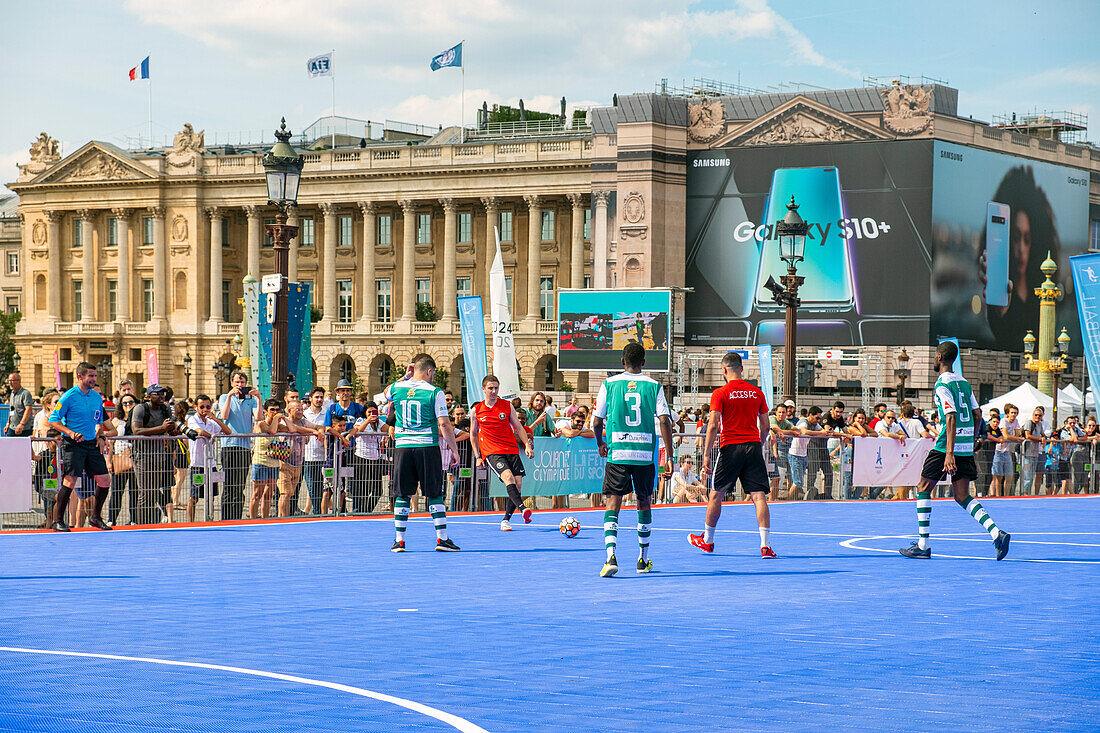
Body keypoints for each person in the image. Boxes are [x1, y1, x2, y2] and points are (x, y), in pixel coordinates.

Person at [899, 341, 1011, 560]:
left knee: (923, 487)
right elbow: (978, 414)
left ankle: (923, 545)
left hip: (945, 447)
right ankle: (997, 533)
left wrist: (949, 452)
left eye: (934, 355)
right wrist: (971, 442)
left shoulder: (942, 384)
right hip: (965, 446)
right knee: (961, 495)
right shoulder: (965, 383)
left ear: (940, 357)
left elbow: (950, 416)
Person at [592, 342, 675, 577]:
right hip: (644, 454)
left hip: (618, 452)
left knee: (612, 504)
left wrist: (600, 442)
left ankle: (610, 557)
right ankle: (642, 559)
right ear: (644, 362)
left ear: (622, 361)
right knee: (644, 502)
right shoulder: (654, 385)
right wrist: (670, 455)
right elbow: (665, 421)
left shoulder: (609, 384)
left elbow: (597, 421)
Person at [689, 351, 775, 558]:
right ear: (742, 369)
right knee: (758, 496)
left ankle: (708, 540)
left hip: (730, 447)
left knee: (716, 494)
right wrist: (759, 444)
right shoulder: (757, 393)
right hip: (753, 446)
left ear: (724, 370)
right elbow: (765, 426)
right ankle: (765, 546)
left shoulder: (720, 393)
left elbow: (712, 426)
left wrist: (707, 454)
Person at [385, 355, 461, 552]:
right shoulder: (435, 392)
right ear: (429, 371)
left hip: (403, 447)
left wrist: (404, 377)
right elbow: (444, 423)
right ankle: (442, 539)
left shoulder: (397, 388)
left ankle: (399, 541)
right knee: (434, 492)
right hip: (427, 446)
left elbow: (385, 393)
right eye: (433, 373)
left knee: (402, 494)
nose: (433, 377)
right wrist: (453, 449)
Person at [46, 362, 117, 531]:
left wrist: (100, 436)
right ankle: (57, 521)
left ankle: (95, 517)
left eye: (95, 376)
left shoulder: (96, 397)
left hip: (91, 444)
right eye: (91, 376)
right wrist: (70, 433)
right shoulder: (69, 396)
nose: (94, 379)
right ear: (80, 376)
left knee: (105, 480)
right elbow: (53, 420)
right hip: (73, 444)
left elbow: (98, 421)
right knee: (70, 481)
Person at [472, 375, 535, 530]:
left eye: (496, 388)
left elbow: (519, 428)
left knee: (518, 485)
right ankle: (523, 509)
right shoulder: (477, 410)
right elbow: (473, 434)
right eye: (490, 388)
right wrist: (478, 456)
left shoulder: (506, 406)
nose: (493, 391)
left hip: (511, 449)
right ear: (483, 389)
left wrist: (527, 445)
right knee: (508, 477)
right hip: (492, 452)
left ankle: (506, 519)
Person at [129, 385, 179, 525]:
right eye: (157, 394)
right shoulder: (141, 408)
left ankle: (150, 522)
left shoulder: (166, 408)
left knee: (154, 492)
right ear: (149, 396)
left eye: (163, 393)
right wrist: (162, 428)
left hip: (160, 455)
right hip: (142, 456)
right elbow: (136, 431)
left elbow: (170, 429)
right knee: (146, 493)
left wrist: (172, 431)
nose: (161, 396)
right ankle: (141, 525)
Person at [218, 371, 263, 520]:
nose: (239, 385)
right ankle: (226, 517)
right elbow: (224, 416)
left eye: (242, 382)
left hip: (244, 447)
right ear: (231, 383)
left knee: (240, 485)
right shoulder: (224, 397)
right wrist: (230, 396)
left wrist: (259, 398)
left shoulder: (250, 400)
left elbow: (259, 417)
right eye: (237, 382)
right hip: (229, 445)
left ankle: (236, 517)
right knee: (229, 484)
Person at [185, 395, 232, 522]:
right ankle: (191, 522)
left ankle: (209, 519)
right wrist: (211, 436)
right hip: (198, 463)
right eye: (202, 407)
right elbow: (199, 431)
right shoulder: (192, 419)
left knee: (211, 495)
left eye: (208, 406)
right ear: (196, 407)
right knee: (194, 496)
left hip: (211, 463)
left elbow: (228, 431)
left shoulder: (211, 421)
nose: (205, 409)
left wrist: (215, 418)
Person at [250, 398, 290, 519]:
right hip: (261, 461)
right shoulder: (261, 424)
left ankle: (265, 518)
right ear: (266, 411)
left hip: (274, 463)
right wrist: (277, 419)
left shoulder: (279, 425)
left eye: (277, 410)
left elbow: (291, 429)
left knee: (268, 495)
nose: (275, 412)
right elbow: (271, 431)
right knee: (257, 494)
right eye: (272, 410)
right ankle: (253, 519)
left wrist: (285, 418)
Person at [346, 400, 388, 514]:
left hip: (375, 458)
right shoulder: (361, 420)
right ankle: (359, 511)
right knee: (362, 488)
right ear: (365, 413)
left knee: (378, 490)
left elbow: (387, 428)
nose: (371, 415)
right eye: (369, 412)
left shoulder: (379, 423)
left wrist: (392, 429)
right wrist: (368, 421)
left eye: (373, 412)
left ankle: (367, 510)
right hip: (361, 458)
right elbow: (358, 430)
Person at [107, 395, 138, 525]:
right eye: (125, 403)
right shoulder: (116, 421)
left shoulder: (139, 420)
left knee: (135, 492)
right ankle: (111, 519)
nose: (128, 405)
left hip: (136, 459)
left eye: (131, 402)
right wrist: (108, 461)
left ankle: (134, 520)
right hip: (119, 459)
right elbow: (110, 443)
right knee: (116, 491)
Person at [32, 390, 62, 527]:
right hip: (45, 463)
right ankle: (50, 521)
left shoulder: (62, 415)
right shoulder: (43, 417)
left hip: (58, 471)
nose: (59, 404)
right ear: (48, 404)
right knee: (50, 499)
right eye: (56, 401)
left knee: (55, 500)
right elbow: (39, 434)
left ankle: (54, 521)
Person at [301, 387, 330, 515]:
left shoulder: (327, 413)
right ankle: (318, 513)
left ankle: (321, 513)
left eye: (321, 397)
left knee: (325, 489)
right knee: (312, 488)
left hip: (324, 457)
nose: (319, 400)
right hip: (309, 457)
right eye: (316, 397)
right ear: (310, 398)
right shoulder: (304, 414)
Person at [1020, 406, 1049, 495]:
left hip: (1035, 453)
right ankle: (1024, 493)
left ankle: (1028, 493)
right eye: (1036, 415)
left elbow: (1043, 434)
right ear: (1033, 415)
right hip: (1026, 454)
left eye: (1039, 415)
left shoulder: (1040, 424)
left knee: (1032, 476)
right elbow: (1027, 435)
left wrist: (1043, 438)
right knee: (1027, 475)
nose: (1037, 417)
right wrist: (1040, 439)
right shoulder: (1029, 422)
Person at [5, 371, 34, 437]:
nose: (10, 383)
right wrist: (8, 423)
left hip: (24, 429)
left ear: (19, 381)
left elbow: (28, 409)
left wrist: (22, 424)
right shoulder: (12, 393)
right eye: (9, 381)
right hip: (12, 428)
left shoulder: (25, 393)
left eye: (12, 380)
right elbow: (12, 409)